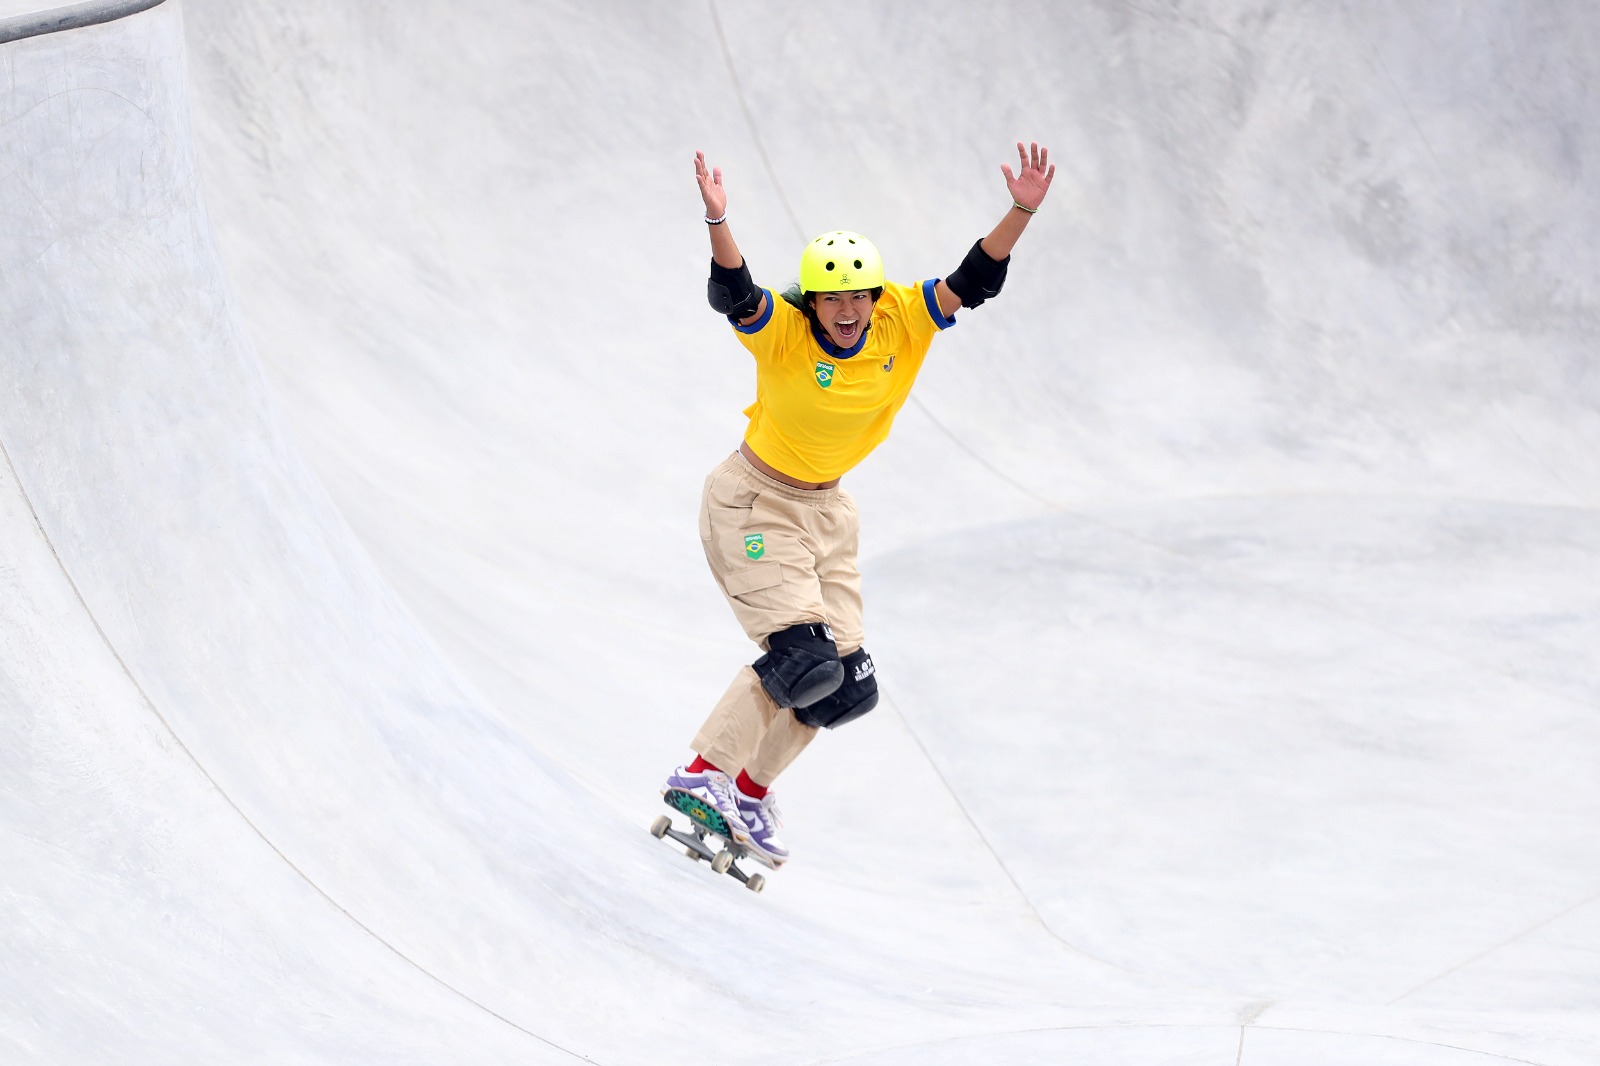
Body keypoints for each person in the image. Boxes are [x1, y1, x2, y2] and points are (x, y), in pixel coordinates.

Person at [662, 142, 1056, 869]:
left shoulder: (903, 320)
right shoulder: (781, 333)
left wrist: (1022, 208)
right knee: (801, 657)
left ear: (875, 296)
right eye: (831, 299)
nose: (846, 312)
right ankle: (701, 775)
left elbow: (977, 278)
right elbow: (735, 294)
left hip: (827, 516)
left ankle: (748, 790)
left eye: (857, 297)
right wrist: (718, 219)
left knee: (843, 686)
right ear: (811, 302)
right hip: (754, 504)